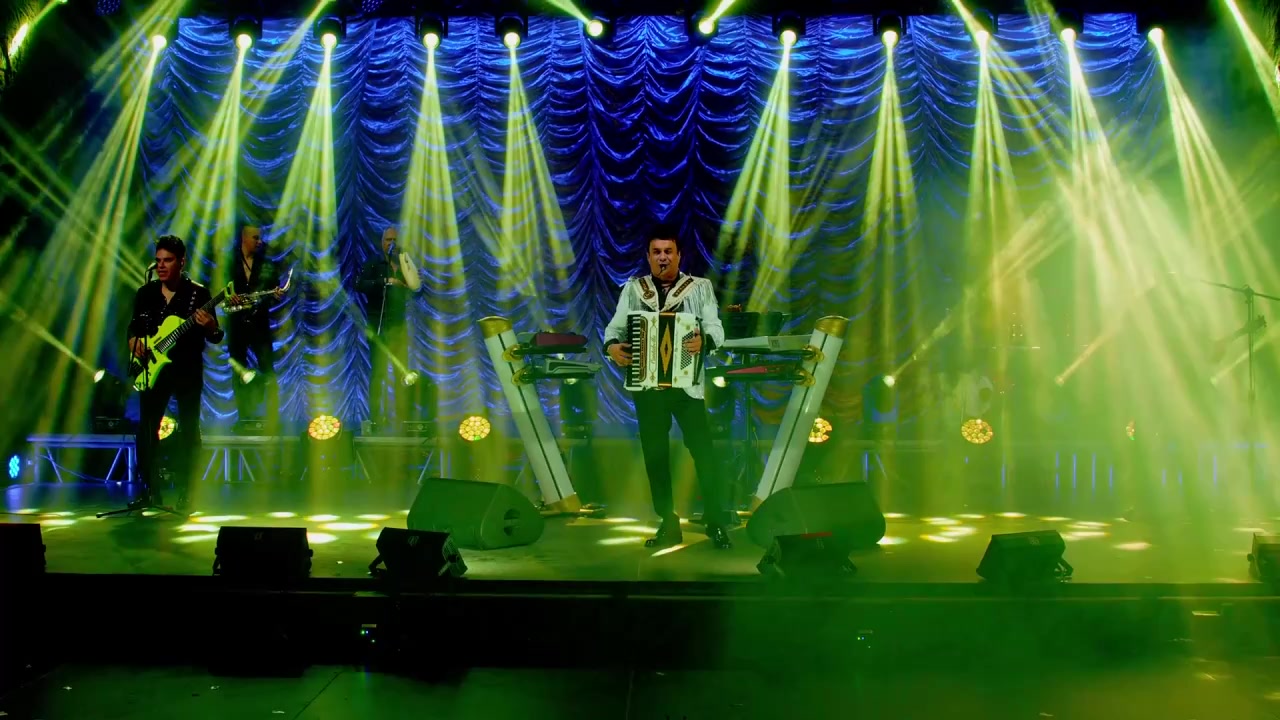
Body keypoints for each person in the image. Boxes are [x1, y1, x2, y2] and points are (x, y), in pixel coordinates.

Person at [603, 224, 733, 549]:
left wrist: (705, 341)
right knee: (655, 457)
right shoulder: (634, 289)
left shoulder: (699, 287)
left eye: (668, 251)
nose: (663, 257)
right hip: (648, 389)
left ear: (679, 255)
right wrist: (612, 348)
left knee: (704, 453)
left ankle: (716, 521)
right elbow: (614, 329)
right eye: (657, 252)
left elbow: (716, 328)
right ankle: (668, 522)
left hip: (687, 388)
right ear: (648, 256)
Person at [127, 235, 223, 510]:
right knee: (147, 429)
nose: (161, 265)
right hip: (153, 369)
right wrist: (133, 342)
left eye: (167, 260)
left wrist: (210, 327)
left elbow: (216, 336)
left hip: (187, 370)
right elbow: (133, 328)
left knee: (189, 430)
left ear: (181, 262)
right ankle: (149, 491)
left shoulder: (198, 294)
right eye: (158, 260)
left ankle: (187, 491)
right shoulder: (145, 293)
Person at [356, 226, 421, 425]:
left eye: (395, 240)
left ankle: (403, 418)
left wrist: (409, 282)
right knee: (379, 374)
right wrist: (385, 281)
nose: (391, 244)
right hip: (379, 326)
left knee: (403, 373)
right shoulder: (373, 263)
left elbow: (415, 289)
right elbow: (360, 284)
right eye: (388, 240)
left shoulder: (404, 263)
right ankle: (376, 419)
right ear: (382, 243)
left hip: (399, 327)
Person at [227, 222, 283, 427]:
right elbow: (218, 290)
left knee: (268, 371)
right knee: (238, 372)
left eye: (260, 238)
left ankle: (272, 418)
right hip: (237, 325)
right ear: (244, 238)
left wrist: (276, 295)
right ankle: (244, 418)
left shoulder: (267, 265)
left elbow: (273, 291)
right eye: (255, 238)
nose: (260, 242)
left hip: (260, 325)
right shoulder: (229, 262)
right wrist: (228, 296)